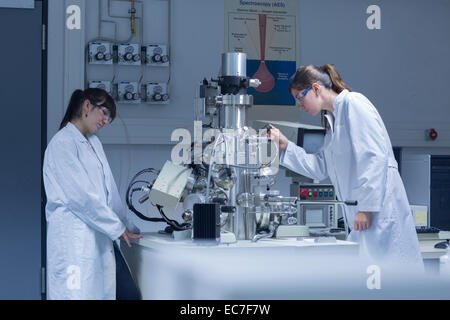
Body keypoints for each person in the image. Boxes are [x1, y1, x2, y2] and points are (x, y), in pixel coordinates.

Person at [267, 64, 422, 266]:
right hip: (360, 218)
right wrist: (285, 146)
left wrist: (367, 208)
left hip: (379, 212)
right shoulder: (332, 121)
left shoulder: (353, 103)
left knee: (393, 279)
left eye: (299, 97)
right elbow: (319, 167)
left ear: (315, 88)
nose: (299, 105)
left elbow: (373, 157)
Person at [43, 88, 143, 299]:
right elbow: (82, 197)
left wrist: (127, 226)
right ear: (87, 106)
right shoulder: (62, 144)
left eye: (109, 118)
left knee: (128, 294)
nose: (105, 121)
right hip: (74, 242)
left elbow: (110, 194)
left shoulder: (94, 143)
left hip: (99, 238)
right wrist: (116, 228)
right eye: (104, 113)